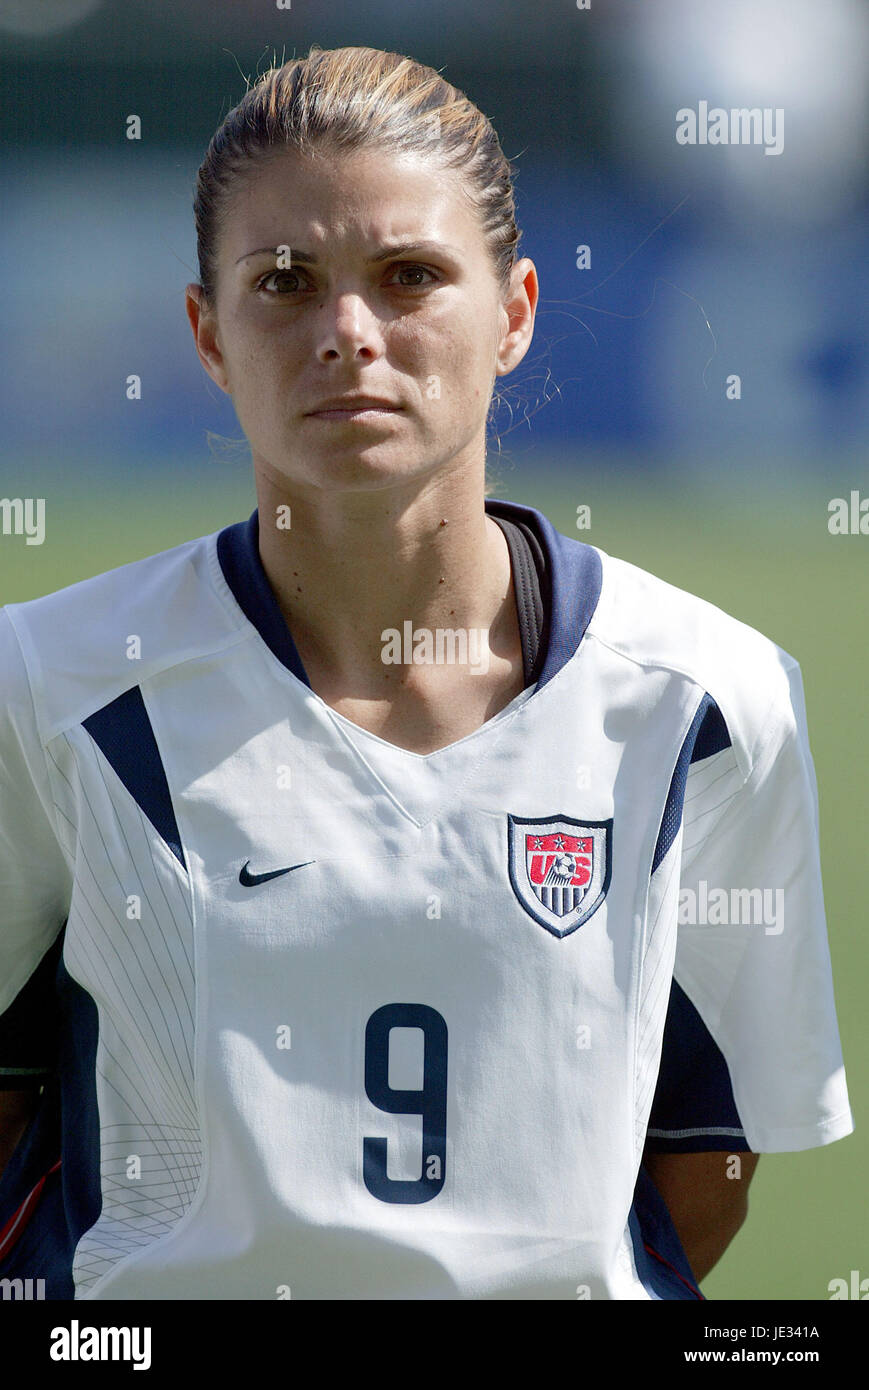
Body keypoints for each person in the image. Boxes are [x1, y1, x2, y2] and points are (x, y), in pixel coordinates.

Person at [0, 45, 853, 1301]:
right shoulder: (49, 682)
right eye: (284, 282)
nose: (348, 333)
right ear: (207, 333)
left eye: (409, 277)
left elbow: (702, 1161)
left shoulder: (706, 702)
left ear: (511, 312)